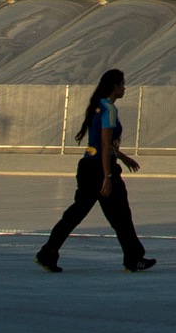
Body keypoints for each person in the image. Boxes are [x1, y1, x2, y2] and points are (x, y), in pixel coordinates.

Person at [37, 68, 152, 272]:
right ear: (115, 86)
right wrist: (107, 177)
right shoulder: (109, 109)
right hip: (101, 169)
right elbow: (106, 145)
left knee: (75, 214)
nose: (124, 88)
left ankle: (47, 253)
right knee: (121, 216)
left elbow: (102, 143)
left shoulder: (98, 106)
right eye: (122, 84)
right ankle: (133, 259)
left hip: (88, 167)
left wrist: (123, 157)